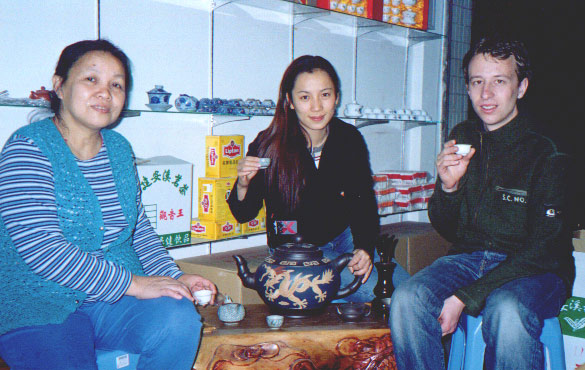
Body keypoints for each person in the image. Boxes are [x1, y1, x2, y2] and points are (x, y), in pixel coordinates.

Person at [0, 39, 217, 370]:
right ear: (59, 85)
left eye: (117, 84)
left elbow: (138, 232)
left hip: (112, 301)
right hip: (40, 301)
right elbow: (42, 248)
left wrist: (175, 277)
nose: (105, 92)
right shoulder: (27, 148)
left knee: (178, 318)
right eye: (91, 79)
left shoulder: (118, 148)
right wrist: (134, 284)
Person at [389, 35, 575, 370]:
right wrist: (449, 187)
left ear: (521, 87)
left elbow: (546, 247)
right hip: (469, 259)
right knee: (407, 299)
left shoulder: (547, 151)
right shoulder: (463, 136)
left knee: (507, 309)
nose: (485, 95)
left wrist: (467, 296)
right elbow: (447, 227)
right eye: (477, 82)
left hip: (536, 269)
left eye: (499, 81)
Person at [227, 55, 408, 303]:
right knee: (386, 296)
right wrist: (244, 184)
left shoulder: (348, 138)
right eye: (305, 97)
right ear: (289, 101)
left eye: (325, 95)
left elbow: (362, 201)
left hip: (345, 238)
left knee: (409, 290)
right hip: (296, 251)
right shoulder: (269, 144)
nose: (316, 107)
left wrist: (364, 248)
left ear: (336, 97)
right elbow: (243, 214)